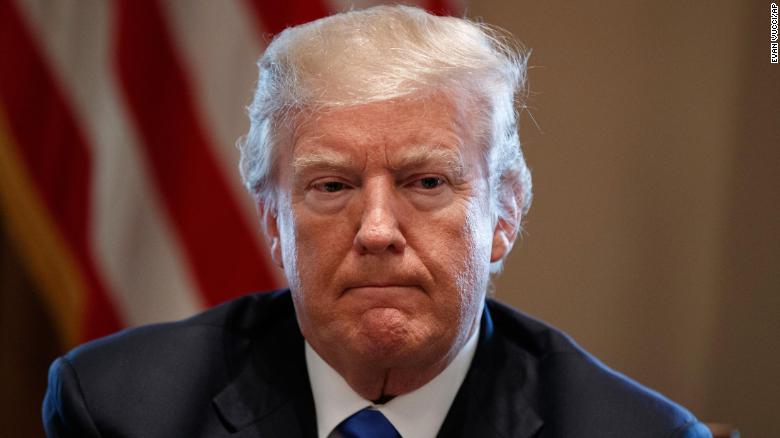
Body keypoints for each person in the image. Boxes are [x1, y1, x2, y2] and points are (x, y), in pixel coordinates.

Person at [42, 5, 710, 438]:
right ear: (273, 221)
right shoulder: (116, 408)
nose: (377, 230)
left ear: (504, 213)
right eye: (332, 185)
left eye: (426, 182)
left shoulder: (634, 432)